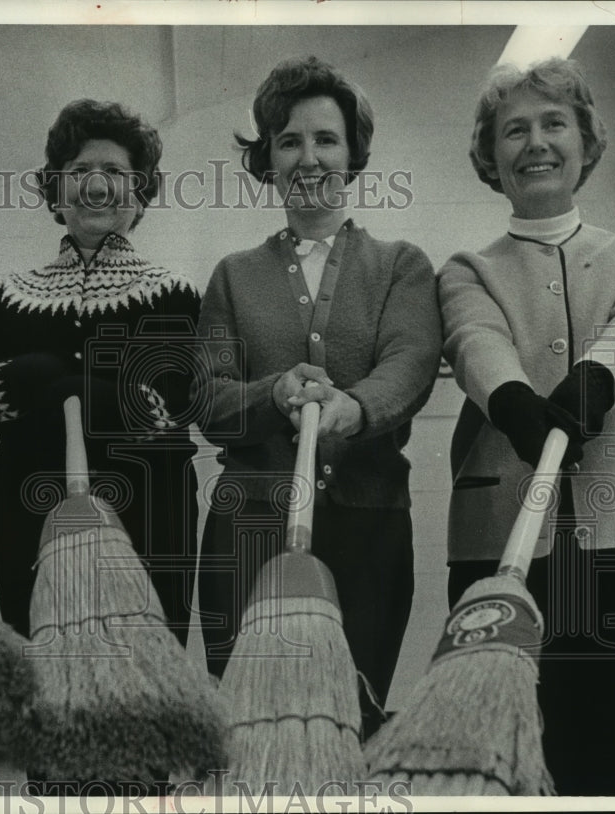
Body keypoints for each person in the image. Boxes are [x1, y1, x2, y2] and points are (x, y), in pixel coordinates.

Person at [195, 56, 442, 739]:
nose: (309, 157)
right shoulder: (232, 277)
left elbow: (410, 363)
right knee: (250, 730)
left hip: (368, 530)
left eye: (326, 139)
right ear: (268, 159)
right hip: (248, 533)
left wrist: (353, 408)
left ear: (354, 154)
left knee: (347, 727)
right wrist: (271, 393)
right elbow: (208, 398)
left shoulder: (401, 266)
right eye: (289, 141)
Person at [438, 57, 615, 795]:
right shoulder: (466, 268)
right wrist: (513, 400)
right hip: (499, 543)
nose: (536, 143)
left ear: (585, 142)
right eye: (514, 130)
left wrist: (599, 375)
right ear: (490, 156)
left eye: (554, 123)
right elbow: (474, 339)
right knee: (514, 752)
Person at [0, 99, 201, 662]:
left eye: (115, 171)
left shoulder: (175, 293)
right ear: (56, 191)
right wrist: (40, 380)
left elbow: (180, 397)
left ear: (140, 193)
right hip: (29, 509)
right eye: (80, 171)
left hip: (150, 513)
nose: (96, 185)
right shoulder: (7, 294)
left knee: (145, 670)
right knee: (43, 664)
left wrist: (65, 387)